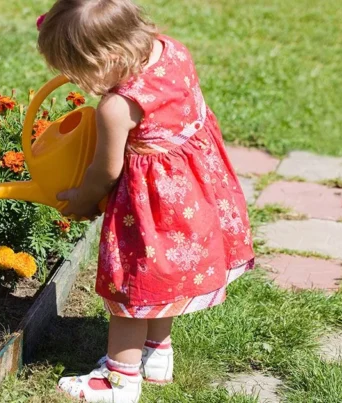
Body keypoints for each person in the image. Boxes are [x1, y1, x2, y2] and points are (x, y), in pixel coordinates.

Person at [37, 0, 255, 401]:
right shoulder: (171, 49)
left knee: (132, 285)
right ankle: (157, 354)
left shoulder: (117, 107)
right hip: (195, 190)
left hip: (152, 208)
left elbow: (106, 171)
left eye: (82, 71)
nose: (79, 81)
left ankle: (119, 381)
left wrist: (82, 200)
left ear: (112, 57)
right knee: (163, 277)